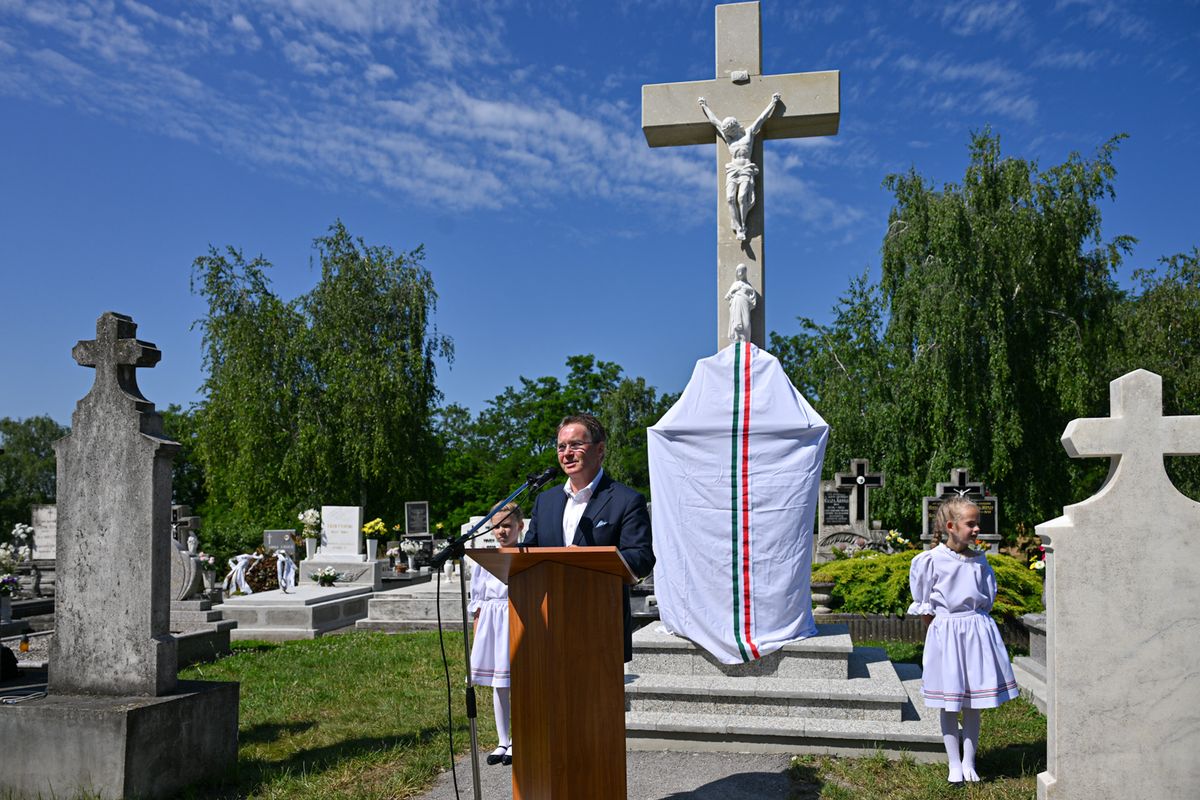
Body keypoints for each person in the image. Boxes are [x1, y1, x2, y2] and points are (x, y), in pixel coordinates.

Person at [524, 413, 655, 662]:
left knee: (597, 702)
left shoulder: (626, 500)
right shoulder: (546, 500)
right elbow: (530, 551)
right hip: (546, 624)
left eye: (576, 445)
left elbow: (642, 558)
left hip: (600, 624)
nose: (567, 453)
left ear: (600, 450)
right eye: (561, 447)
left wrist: (588, 560)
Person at [908, 497, 1020, 785]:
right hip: (946, 635)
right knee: (949, 702)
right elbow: (925, 608)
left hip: (976, 634)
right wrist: (942, 632)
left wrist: (974, 627)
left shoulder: (979, 561)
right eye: (970, 523)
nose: (976, 529)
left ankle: (970, 761)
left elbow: (987, 598)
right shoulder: (930, 561)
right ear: (951, 526)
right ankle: (953, 763)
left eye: (976, 523)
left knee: (972, 702)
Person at [468, 501, 522, 767]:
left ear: (519, 527)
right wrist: (478, 633)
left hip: (515, 618)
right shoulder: (484, 561)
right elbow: (478, 601)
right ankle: (503, 740)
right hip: (492, 623)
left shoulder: (525, 554)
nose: (502, 531)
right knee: (499, 684)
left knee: (519, 682)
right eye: (498, 526)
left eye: (508, 526)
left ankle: (520, 739)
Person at [698, 92, 781, 241]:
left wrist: (773, 103)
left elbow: (762, 118)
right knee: (730, 198)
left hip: (745, 170)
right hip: (733, 170)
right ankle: (735, 224)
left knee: (742, 197)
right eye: (726, 132)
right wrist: (704, 106)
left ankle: (743, 226)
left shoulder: (749, 133)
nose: (727, 133)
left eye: (730, 130)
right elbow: (714, 121)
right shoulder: (728, 139)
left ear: (735, 127)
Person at [724, 263, 757, 343]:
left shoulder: (748, 285)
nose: (740, 273)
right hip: (736, 305)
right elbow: (727, 297)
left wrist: (748, 290)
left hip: (745, 305)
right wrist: (734, 290)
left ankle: (745, 340)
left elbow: (753, 300)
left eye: (742, 271)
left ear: (745, 272)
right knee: (736, 324)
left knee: (746, 324)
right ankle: (736, 340)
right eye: (739, 271)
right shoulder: (735, 284)